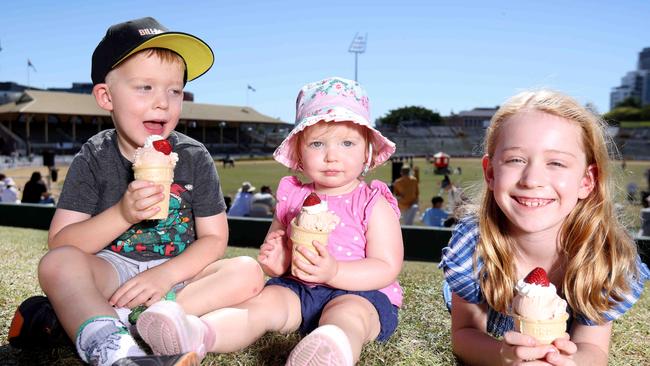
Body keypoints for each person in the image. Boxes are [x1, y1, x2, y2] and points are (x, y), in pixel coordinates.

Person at [9, 17, 264, 366]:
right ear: (105, 96)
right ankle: (112, 347)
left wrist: (166, 275)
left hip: (178, 276)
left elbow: (215, 238)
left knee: (248, 271)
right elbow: (62, 241)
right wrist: (123, 213)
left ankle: (126, 321)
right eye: (145, 87)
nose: (163, 102)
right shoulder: (95, 156)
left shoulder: (194, 156)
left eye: (175, 91)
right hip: (111, 270)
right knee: (57, 264)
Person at [133, 76, 404, 365]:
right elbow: (274, 250)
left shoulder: (373, 202)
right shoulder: (292, 197)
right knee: (260, 306)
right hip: (297, 291)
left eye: (348, 143)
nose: (331, 156)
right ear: (298, 152)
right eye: (317, 144)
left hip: (360, 293)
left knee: (347, 315)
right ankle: (197, 334)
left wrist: (334, 272)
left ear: (367, 152)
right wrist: (275, 262)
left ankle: (331, 349)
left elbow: (386, 266)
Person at [439, 90, 650, 365]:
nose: (532, 179)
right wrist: (503, 357)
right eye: (516, 159)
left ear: (587, 181)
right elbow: (465, 334)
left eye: (556, 163)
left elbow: (592, 347)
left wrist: (570, 363)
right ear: (490, 173)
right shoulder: (474, 245)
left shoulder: (604, 257)